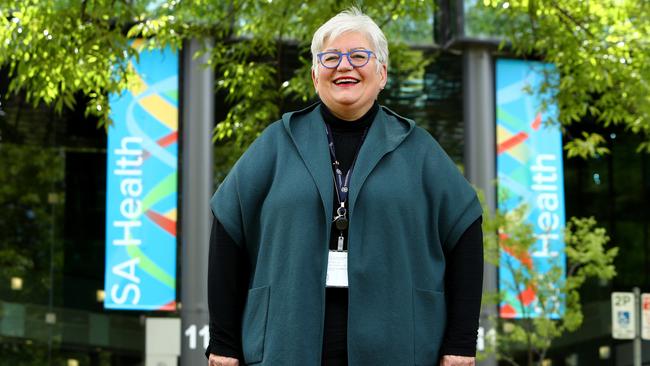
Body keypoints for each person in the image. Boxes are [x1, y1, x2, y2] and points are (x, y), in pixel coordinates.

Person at [206, 7, 484, 366]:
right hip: (284, 340)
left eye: (358, 56)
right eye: (331, 57)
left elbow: (465, 231)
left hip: (398, 342)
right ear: (314, 75)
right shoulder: (277, 143)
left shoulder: (418, 149)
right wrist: (223, 342)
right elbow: (228, 229)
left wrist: (461, 343)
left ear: (382, 73)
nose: (344, 66)